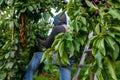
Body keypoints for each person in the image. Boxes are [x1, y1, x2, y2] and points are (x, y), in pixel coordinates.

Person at [23, 13, 74, 80]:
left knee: (37, 55)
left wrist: (38, 40)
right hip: (69, 59)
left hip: (59, 58)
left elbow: (47, 44)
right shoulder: (70, 29)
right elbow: (53, 41)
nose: (53, 22)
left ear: (58, 20)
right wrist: (45, 38)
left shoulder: (57, 28)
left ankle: (27, 78)